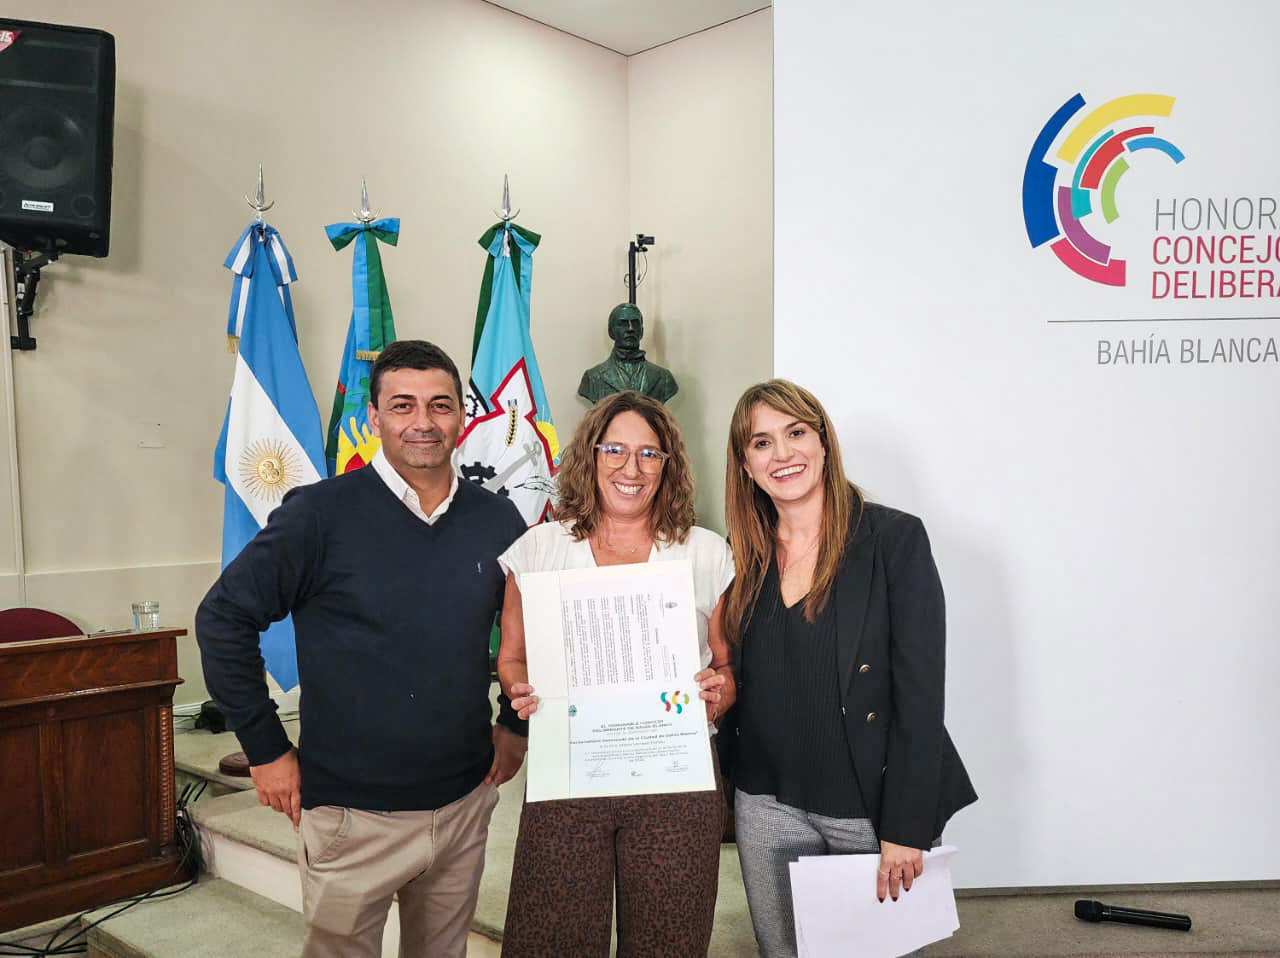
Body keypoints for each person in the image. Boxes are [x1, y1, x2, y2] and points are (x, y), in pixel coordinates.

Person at [195, 340, 529, 958]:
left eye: (440, 405)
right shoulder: (319, 515)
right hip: (352, 813)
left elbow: (524, 633)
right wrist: (265, 748)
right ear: (373, 417)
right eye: (402, 405)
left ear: (463, 415)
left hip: (463, 802)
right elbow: (222, 619)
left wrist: (513, 723)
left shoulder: (499, 520)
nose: (423, 421)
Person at [720, 379, 977, 958]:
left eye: (795, 432)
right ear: (745, 463)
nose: (782, 454)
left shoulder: (894, 539)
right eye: (761, 442)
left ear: (823, 441)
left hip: (871, 809)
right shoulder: (741, 553)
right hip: (767, 806)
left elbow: (920, 696)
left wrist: (906, 826)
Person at [495, 390, 732, 956]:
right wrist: (518, 689)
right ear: (590, 455)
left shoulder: (704, 552)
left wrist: (719, 692)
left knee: (668, 942)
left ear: (668, 465)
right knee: (552, 940)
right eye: (615, 450)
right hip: (568, 772)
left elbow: (725, 667)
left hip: (674, 779)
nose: (632, 468)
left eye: (650, 454)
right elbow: (512, 657)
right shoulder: (539, 549)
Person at [577, 302, 679, 403]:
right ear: (611, 331)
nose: (630, 329)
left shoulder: (663, 377)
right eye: (623, 324)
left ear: (642, 331)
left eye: (635, 323)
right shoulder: (593, 377)